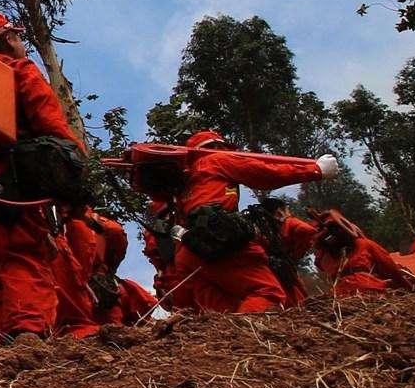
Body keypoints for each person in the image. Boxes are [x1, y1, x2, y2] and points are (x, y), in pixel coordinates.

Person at [0, 14, 82, 339]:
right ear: (9, 39)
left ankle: (0, 341)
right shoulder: (19, 70)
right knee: (23, 257)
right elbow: (49, 122)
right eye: (18, 37)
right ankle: (29, 335)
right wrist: (78, 163)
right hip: (9, 185)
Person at [142, 131, 334, 314]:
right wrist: (316, 170)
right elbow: (265, 174)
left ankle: (229, 345)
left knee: (222, 313)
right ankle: (245, 345)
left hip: (188, 253)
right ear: (216, 146)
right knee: (266, 292)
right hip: (219, 241)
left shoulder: (184, 181)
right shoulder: (215, 160)